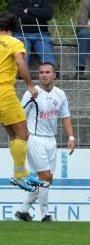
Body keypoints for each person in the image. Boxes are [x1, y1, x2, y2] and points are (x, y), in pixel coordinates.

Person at [0, 13, 47, 192]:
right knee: (23, 134)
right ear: (15, 28)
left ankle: (21, 172)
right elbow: (20, 62)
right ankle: (19, 174)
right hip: (5, 92)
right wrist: (30, 85)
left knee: (13, 135)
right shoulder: (15, 43)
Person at [15, 62, 75, 222]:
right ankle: (45, 215)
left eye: (47, 72)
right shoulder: (31, 93)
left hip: (51, 140)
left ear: (54, 75)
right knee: (45, 176)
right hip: (34, 138)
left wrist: (71, 137)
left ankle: (22, 211)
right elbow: (20, 115)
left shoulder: (60, 94)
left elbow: (65, 116)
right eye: (41, 72)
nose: (44, 75)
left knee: (46, 179)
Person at [10, 0, 57, 70]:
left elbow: (49, 14)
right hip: (21, 33)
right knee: (22, 59)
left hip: (41, 34)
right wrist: (38, 15)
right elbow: (17, 15)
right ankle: (21, 79)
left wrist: (30, 10)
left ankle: (52, 78)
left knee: (48, 58)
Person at [75, 0, 90, 80]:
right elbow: (82, 23)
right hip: (86, 31)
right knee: (85, 34)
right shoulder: (86, 1)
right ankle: (80, 69)